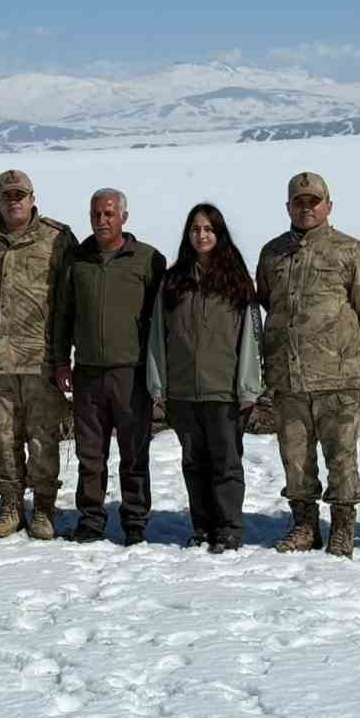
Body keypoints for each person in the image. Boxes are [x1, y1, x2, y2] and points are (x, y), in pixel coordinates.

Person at [255, 172, 360, 558]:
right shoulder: (272, 253)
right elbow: (266, 300)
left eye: (314, 201)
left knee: (341, 457)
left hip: (336, 376)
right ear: (288, 207)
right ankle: (304, 525)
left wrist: (333, 339)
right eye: (299, 202)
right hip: (288, 377)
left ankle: (343, 526)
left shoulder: (351, 251)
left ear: (329, 205)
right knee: (295, 458)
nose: (306, 208)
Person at [0, 169, 76, 541]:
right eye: (7, 195)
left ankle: (44, 508)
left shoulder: (57, 238)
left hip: (39, 356)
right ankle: (10, 505)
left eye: (20, 195)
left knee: (43, 438)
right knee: (3, 438)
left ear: (32, 198)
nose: (14, 201)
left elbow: (69, 297)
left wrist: (65, 354)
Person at [52, 188, 165, 545]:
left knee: (134, 451)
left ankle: (134, 521)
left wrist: (159, 370)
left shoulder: (147, 260)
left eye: (109, 214)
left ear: (123, 218)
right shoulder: (77, 260)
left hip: (131, 373)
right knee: (90, 453)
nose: (102, 220)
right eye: (96, 214)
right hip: (87, 373)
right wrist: (60, 360)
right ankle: (91, 519)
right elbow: (63, 315)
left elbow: (161, 320)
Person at [146, 203, 261, 553]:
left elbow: (252, 338)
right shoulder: (173, 280)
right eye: (196, 229)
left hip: (224, 390)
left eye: (209, 228)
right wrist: (158, 382)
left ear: (219, 233)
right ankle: (202, 527)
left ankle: (228, 528)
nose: (202, 235)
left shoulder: (237, 281)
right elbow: (157, 334)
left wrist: (248, 386)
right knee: (194, 463)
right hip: (183, 390)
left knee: (226, 463)